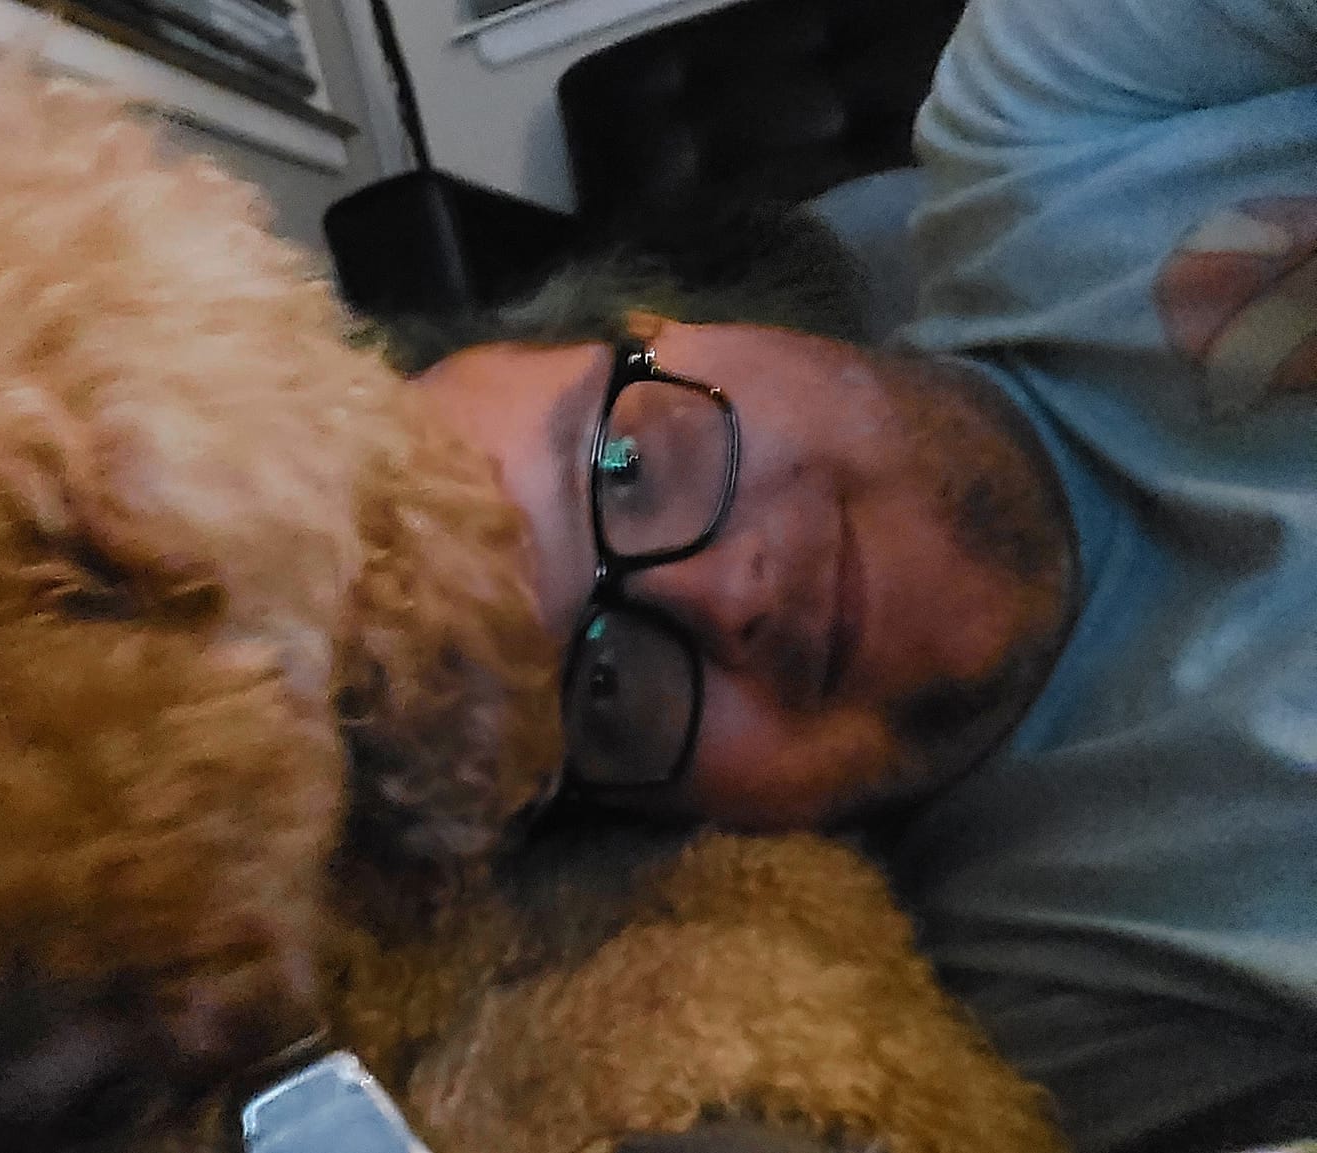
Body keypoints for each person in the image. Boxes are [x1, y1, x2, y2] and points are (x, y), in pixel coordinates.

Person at [412, 0, 1317, 1149]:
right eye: (603, 685)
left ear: (673, 325)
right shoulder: (1035, 1019)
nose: (719, 596)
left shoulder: (1045, 109)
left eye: (627, 465)